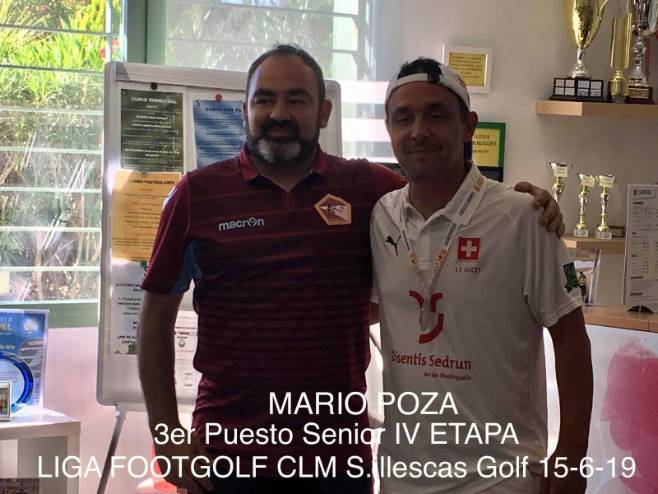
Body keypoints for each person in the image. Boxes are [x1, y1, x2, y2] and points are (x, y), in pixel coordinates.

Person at [137, 44, 563, 494]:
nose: (278, 113)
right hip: (227, 457)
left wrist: (520, 201)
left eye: (296, 99)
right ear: (245, 110)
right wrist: (167, 436)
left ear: (323, 112)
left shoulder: (366, 188)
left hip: (338, 463)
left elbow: (445, 197)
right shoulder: (196, 195)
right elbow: (154, 319)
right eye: (264, 99)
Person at [370, 58, 593, 494]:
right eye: (404, 117)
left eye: (436, 115)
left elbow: (570, 338)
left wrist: (571, 453)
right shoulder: (381, 217)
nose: (419, 131)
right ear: (389, 128)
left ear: (468, 126)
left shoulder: (523, 217)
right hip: (403, 477)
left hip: (499, 477)